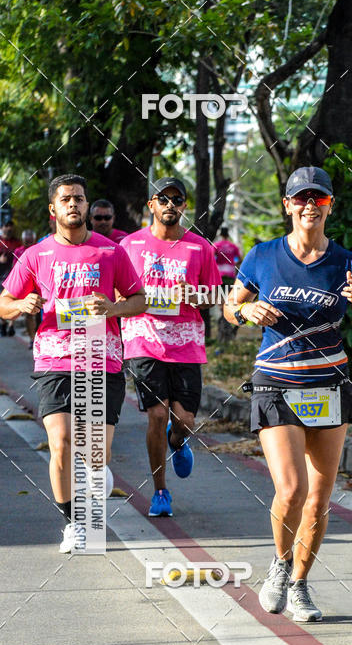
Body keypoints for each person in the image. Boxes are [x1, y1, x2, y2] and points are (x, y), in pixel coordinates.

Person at [224, 166, 352, 622]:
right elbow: (229, 306)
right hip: (276, 381)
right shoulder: (262, 256)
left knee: (319, 497)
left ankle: (299, 584)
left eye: (319, 198)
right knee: (292, 488)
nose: (310, 205)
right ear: (287, 205)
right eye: (301, 198)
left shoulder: (348, 263)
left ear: (329, 205)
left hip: (329, 386)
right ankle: (278, 564)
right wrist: (246, 309)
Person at [0, 173, 145, 552]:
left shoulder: (110, 252)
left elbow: (139, 299)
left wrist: (113, 307)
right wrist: (19, 305)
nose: (74, 205)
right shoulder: (34, 256)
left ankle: (97, 476)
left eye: (79, 198)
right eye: (66, 199)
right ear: (53, 209)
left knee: (97, 453)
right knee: (62, 443)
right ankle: (74, 523)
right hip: (54, 358)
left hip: (103, 358)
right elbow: (3, 302)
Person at [120, 176, 221, 517]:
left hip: (186, 344)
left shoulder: (199, 248)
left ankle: (178, 441)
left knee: (184, 420)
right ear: (151, 205)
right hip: (143, 339)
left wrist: (195, 296)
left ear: (184, 205)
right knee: (157, 413)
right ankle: (160, 492)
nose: (169, 205)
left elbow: (216, 296)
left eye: (176, 199)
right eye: (162, 199)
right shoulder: (130, 247)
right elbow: (118, 293)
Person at [214, 226, 243, 342]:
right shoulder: (233, 246)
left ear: (221, 234)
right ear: (228, 235)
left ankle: (223, 323)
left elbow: (211, 258)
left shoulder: (216, 245)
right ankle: (228, 323)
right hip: (231, 275)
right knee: (229, 301)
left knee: (221, 303)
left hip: (219, 275)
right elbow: (239, 259)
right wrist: (233, 264)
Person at [12, 230, 38, 347]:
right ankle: (32, 338)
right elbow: (15, 270)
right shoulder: (18, 251)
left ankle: (38, 336)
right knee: (29, 314)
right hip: (27, 288)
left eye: (30, 238)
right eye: (26, 239)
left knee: (39, 315)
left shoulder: (38, 250)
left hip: (39, 286)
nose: (28, 241)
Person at [0, 220, 22, 335]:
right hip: (0, 275)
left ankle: (11, 325)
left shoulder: (17, 242)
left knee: (13, 300)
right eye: (6, 226)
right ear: (2, 227)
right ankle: (3, 324)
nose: (8, 229)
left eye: (10, 227)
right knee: (2, 300)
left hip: (13, 275)